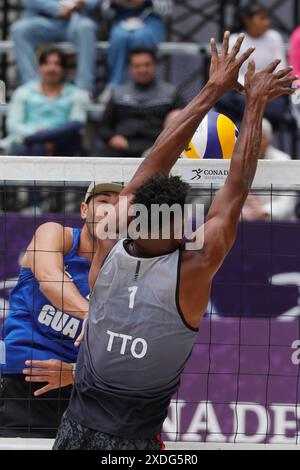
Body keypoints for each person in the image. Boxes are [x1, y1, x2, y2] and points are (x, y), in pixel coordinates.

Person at [52, 32, 296, 450]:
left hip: (73, 429)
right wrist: (254, 103)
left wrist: (212, 89)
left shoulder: (109, 241)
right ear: (178, 229)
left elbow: (155, 158)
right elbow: (236, 188)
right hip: (134, 441)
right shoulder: (192, 269)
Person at [0, 182, 123, 438]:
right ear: (83, 210)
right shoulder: (55, 234)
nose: (110, 210)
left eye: (119, 204)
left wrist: (75, 373)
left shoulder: (129, 269)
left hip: (80, 387)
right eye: (103, 201)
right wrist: (91, 315)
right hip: (17, 378)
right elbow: (50, 280)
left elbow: (128, 350)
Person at [95, 48, 184, 158]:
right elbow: (103, 126)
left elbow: (186, 124)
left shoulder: (170, 94)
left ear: (155, 65)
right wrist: (112, 138)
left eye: (147, 65)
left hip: (158, 149)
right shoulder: (118, 94)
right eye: (137, 66)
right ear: (130, 68)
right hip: (122, 148)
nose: (142, 69)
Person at [216, 3, 289, 129]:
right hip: (241, 93)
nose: (266, 22)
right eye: (261, 18)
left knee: (283, 96)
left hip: (269, 91)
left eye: (267, 18)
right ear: (248, 21)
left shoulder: (274, 38)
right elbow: (232, 72)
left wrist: (265, 86)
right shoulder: (235, 39)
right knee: (225, 98)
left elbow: (281, 68)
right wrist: (248, 88)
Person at [6, 48, 89, 157]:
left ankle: (37, 139)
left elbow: (77, 122)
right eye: (47, 64)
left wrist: (47, 136)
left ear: (63, 69)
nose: (51, 68)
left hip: (60, 143)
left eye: (56, 64)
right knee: (36, 147)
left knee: (72, 129)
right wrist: (38, 133)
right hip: (26, 143)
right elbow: (13, 125)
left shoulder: (76, 94)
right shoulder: (23, 92)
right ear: (39, 67)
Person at [11, 0, 98, 94]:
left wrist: (84, 2)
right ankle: (32, 88)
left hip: (75, 20)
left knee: (86, 27)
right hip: (42, 19)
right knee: (19, 30)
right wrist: (57, 9)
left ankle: (84, 90)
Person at [99, 0, 172, 102]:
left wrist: (144, 2)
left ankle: (145, 89)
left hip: (151, 21)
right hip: (121, 20)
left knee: (140, 36)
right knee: (119, 37)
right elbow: (105, 12)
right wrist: (115, 3)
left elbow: (166, 10)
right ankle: (114, 87)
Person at [242, 119, 296, 221]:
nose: (254, 143)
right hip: (242, 222)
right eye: (251, 138)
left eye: (259, 138)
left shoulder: (283, 161)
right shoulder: (237, 161)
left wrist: (265, 211)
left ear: (269, 140)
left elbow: (288, 202)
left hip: (278, 225)